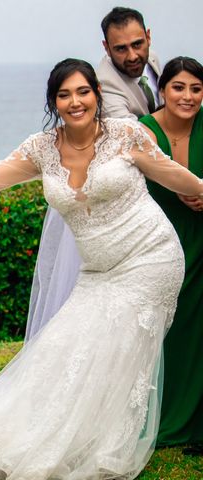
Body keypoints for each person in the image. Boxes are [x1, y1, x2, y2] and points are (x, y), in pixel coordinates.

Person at [0, 58, 203, 479]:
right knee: (61, 349)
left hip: (151, 257)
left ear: (97, 94)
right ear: (54, 102)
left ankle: (103, 447)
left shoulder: (127, 135)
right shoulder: (42, 149)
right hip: (98, 272)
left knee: (114, 353)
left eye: (83, 92)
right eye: (64, 94)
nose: (75, 102)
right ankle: (17, 436)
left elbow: (174, 175)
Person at [27, 6, 161, 341]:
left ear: (148, 37)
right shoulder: (105, 90)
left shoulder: (153, 62)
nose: (132, 55)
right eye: (120, 49)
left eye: (137, 44)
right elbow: (142, 145)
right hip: (101, 202)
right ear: (106, 48)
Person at [138, 56, 203, 454]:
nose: (188, 96)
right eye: (179, 87)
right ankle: (164, 416)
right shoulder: (142, 131)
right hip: (160, 244)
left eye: (196, 88)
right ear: (162, 90)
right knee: (167, 330)